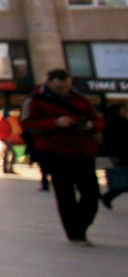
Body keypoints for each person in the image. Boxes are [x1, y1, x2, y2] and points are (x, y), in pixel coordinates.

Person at [22, 69, 104, 244]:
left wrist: (91, 125)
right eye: (60, 87)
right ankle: (75, 233)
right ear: (50, 82)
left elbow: (98, 119)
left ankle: (80, 225)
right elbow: (27, 124)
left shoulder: (80, 99)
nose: (64, 90)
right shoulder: (35, 99)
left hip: (83, 150)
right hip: (55, 152)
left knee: (91, 193)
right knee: (65, 193)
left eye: (66, 86)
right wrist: (55, 123)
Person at [102, 101, 128, 210]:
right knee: (121, 181)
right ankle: (108, 197)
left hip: (125, 154)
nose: (124, 111)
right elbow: (109, 141)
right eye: (122, 109)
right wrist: (113, 155)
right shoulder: (112, 124)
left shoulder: (123, 122)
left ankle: (108, 197)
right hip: (119, 156)